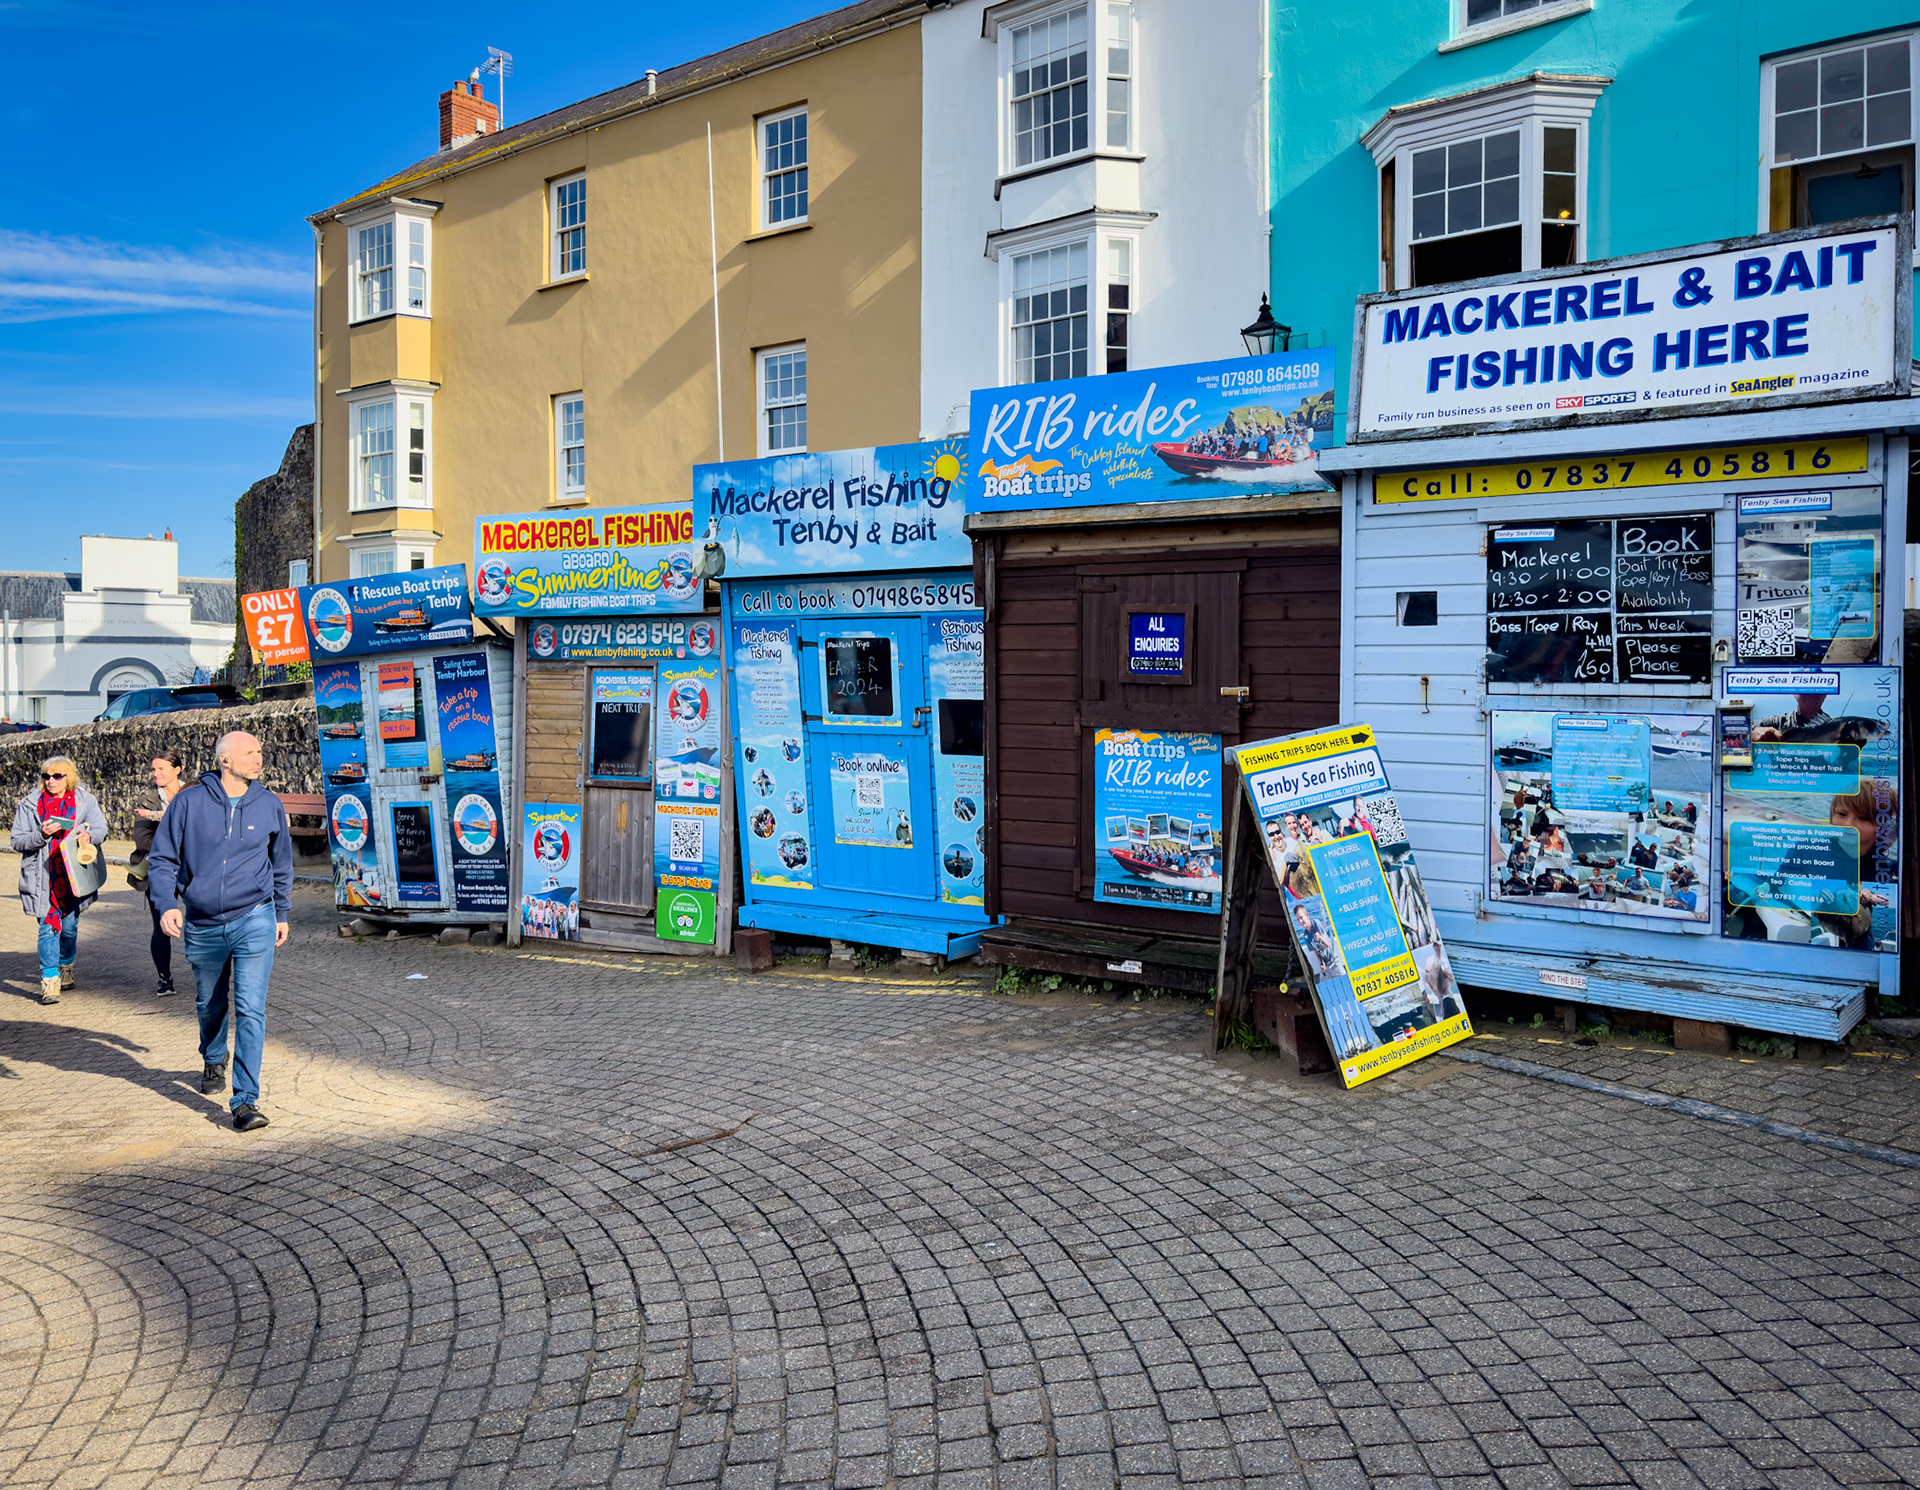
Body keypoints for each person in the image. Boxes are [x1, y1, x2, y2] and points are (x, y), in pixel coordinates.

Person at [147, 731, 291, 1132]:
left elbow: (281, 864)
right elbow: (161, 860)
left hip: (255, 917)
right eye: (250, 753)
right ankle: (213, 1055)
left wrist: (281, 911)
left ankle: (245, 1101)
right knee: (210, 1004)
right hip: (203, 922)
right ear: (224, 760)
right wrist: (167, 904)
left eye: (260, 751)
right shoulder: (189, 803)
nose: (258, 758)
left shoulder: (269, 804)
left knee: (250, 1008)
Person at [12, 755, 107, 1005]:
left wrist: (87, 835)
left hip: (73, 874)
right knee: (47, 928)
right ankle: (50, 981)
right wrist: (40, 835)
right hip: (42, 876)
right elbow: (17, 840)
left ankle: (66, 964)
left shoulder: (85, 801)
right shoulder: (29, 805)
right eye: (46, 776)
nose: (51, 781)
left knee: (69, 928)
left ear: (69, 777)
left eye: (57, 776)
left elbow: (101, 830)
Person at [128, 750, 188, 996]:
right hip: (160, 867)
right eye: (153, 769)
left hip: (194, 868)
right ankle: (165, 978)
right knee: (161, 924)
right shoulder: (148, 799)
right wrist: (171, 847)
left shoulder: (194, 792)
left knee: (204, 920)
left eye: (162, 769)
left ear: (178, 769)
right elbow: (142, 838)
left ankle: (211, 973)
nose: (156, 774)